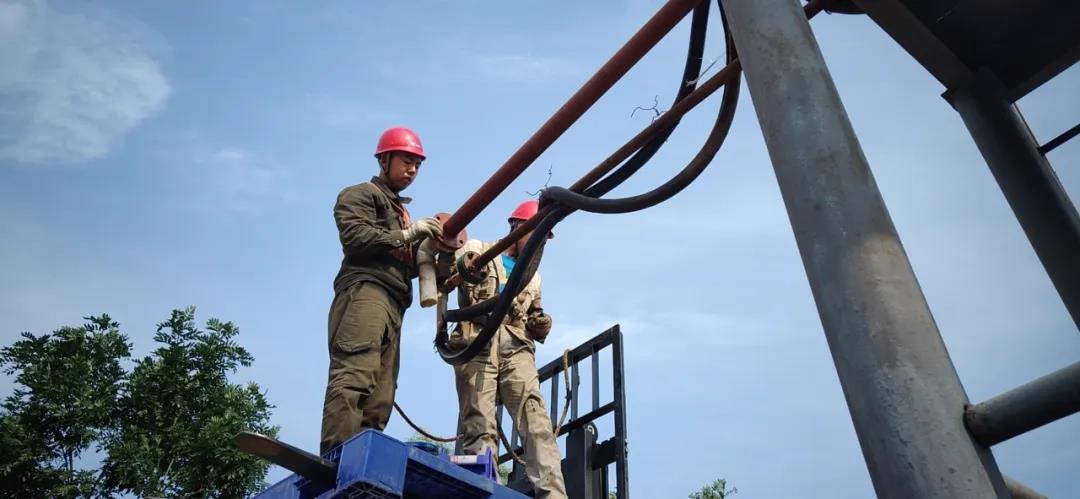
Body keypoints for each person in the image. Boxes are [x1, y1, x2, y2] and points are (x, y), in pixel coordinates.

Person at [320, 126, 443, 454]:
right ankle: (335, 460)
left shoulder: (403, 215)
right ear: (384, 159)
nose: (413, 169)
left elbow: (412, 264)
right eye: (406, 160)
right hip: (366, 293)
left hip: (394, 302)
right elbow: (356, 238)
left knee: (380, 396)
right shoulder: (361, 194)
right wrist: (409, 234)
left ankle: (360, 462)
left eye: (418, 164)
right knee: (355, 376)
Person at [450, 199, 567, 498]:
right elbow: (451, 271)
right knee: (480, 422)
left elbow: (532, 314)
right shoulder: (478, 249)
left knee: (536, 421)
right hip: (478, 340)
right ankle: (487, 490)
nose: (540, 241)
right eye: (536, 231)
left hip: (516, 347)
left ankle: (553, 494)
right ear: (518, 226)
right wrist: (465, 268)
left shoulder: (534, 275)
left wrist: (540, 321)